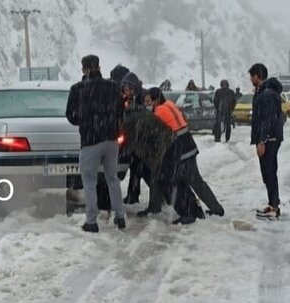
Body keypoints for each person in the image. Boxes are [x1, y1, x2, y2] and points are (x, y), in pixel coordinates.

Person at [66, 55, 126, 232]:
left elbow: (70, 115)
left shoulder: (77, 89)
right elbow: (120, 111)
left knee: (89, 181)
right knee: (112, 178)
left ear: (83, 69)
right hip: (111, 139)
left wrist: (85, 122)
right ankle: (120, 217)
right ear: (99, 66)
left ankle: (91, 221)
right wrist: (109, 123)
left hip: (90, 141)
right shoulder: (113, 87)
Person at [148, 88, 225, 224]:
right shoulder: (170, 104)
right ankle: (216, 208)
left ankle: (189, 212)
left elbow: (156, 133)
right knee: (197, 181)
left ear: (157, 99)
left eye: (150, 101)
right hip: (189, 144)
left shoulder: (159, 111)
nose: (149, 104)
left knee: (178, 182)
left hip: (179, 150)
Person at [248, 63, 286, 220]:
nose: (250, 79)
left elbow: (267, 119)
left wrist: (262, 140)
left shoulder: (268, 94)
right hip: (269, 138)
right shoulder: (263, 92)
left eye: (252, 76)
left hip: (269, 139)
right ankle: (273, 203)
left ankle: (274, 207)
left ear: (258, 75)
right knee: (268, 173)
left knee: (269, 172)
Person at [120, 71, 147, 204]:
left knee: (142, 170)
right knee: (135, 169)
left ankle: (161, 198)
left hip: (143, 141)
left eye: (130, 89)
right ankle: (133, 194)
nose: (128, 91)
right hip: (133, 141)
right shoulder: (126, 99)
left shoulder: (142, 98)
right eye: (125, 88)